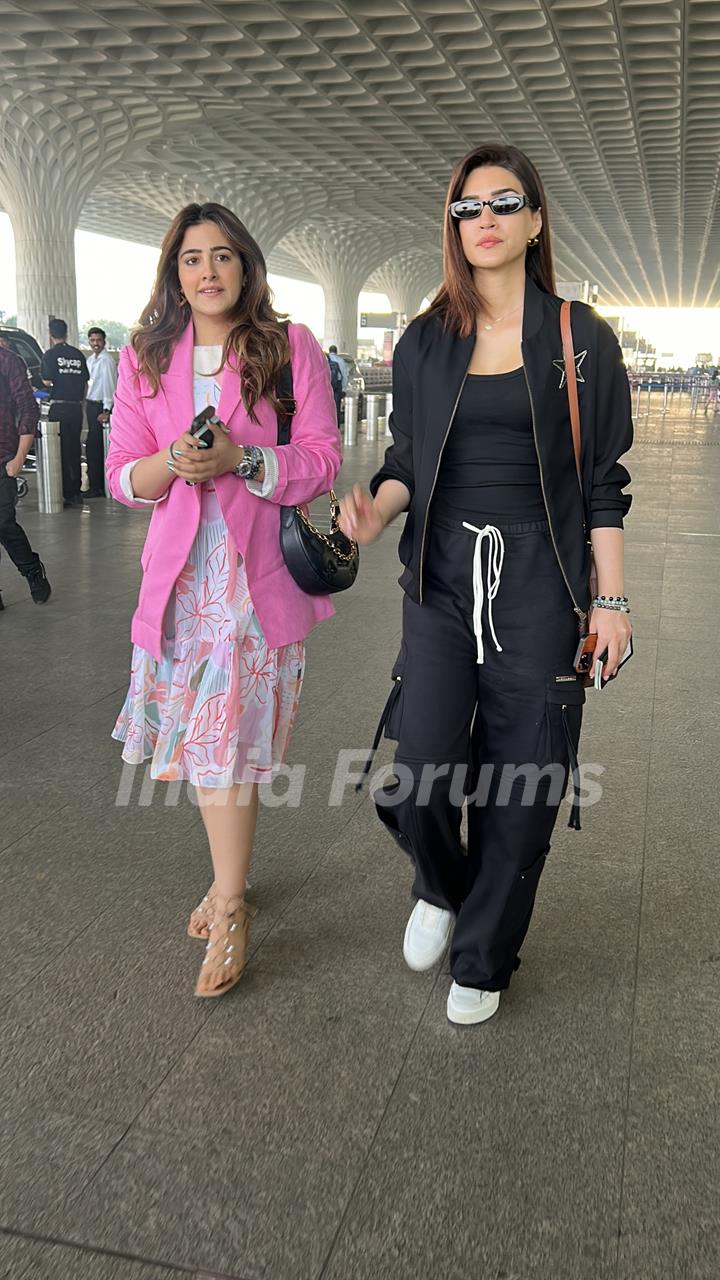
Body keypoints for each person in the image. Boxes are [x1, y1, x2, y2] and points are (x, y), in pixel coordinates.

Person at [339, 142, 633, 1027]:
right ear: (455, 227)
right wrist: (378, 511)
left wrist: (611, 602)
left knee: (527, 779)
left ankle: (485, 954)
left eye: (505, 203)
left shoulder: (581, 338)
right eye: (469, 208)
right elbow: (404, 461)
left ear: (536, 219)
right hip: (439, 583)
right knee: (422, 768)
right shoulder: (429, 339)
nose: (486, 220)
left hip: (543, 587)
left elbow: (601, 485)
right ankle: (441, 882)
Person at [106, 202, 341, 998]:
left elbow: (319, 460)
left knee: (223, 743)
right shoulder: (146, 359)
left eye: (222, 256)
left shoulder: (287, 347)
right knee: (214, 746)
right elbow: (123, 477)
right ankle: (226, 881)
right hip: (179, 586)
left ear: (246, 266)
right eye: (191, 259)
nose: (207, 272)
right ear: (174, 274)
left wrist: (244, 459)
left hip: (254, 582)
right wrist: (173, 461)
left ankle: (231, 902)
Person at [0, 341, 51, 609]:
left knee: (3, 522)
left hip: (3, 456)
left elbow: (28, 407)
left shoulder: (9, 361)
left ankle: (31, 569)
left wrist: (20, 455)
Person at [41, 319, 89, 507]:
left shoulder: (50, 355)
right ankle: (76, 491)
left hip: (58, 407)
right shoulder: (77, 354)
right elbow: (85, 382)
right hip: (76, 407)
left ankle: (65, 492)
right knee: (75, 449)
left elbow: (46, 381)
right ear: (67, 333)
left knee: (60, 450)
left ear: (51, 335)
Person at [85, 326, 117, 497]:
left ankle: (98, 487)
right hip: (90, 405)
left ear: (104, 341)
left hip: (101, 407)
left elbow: (110, 386)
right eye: (92, 340)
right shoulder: (90, 360)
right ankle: (93, 484)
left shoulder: (107, 361)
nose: (95, 343)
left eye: (98, 340)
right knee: (91, 446)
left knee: (97, 447)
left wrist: (106, 409)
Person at [327, 344, 347, 425]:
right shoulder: (340, 360)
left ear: (329, 351)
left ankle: (327, 423)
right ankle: (336, 425)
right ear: (336, 351)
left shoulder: (325, 358)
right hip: (337, 385)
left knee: (326, 405)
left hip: (327, 384)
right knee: (336, 406)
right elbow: (344, 375)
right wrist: (344, 388)